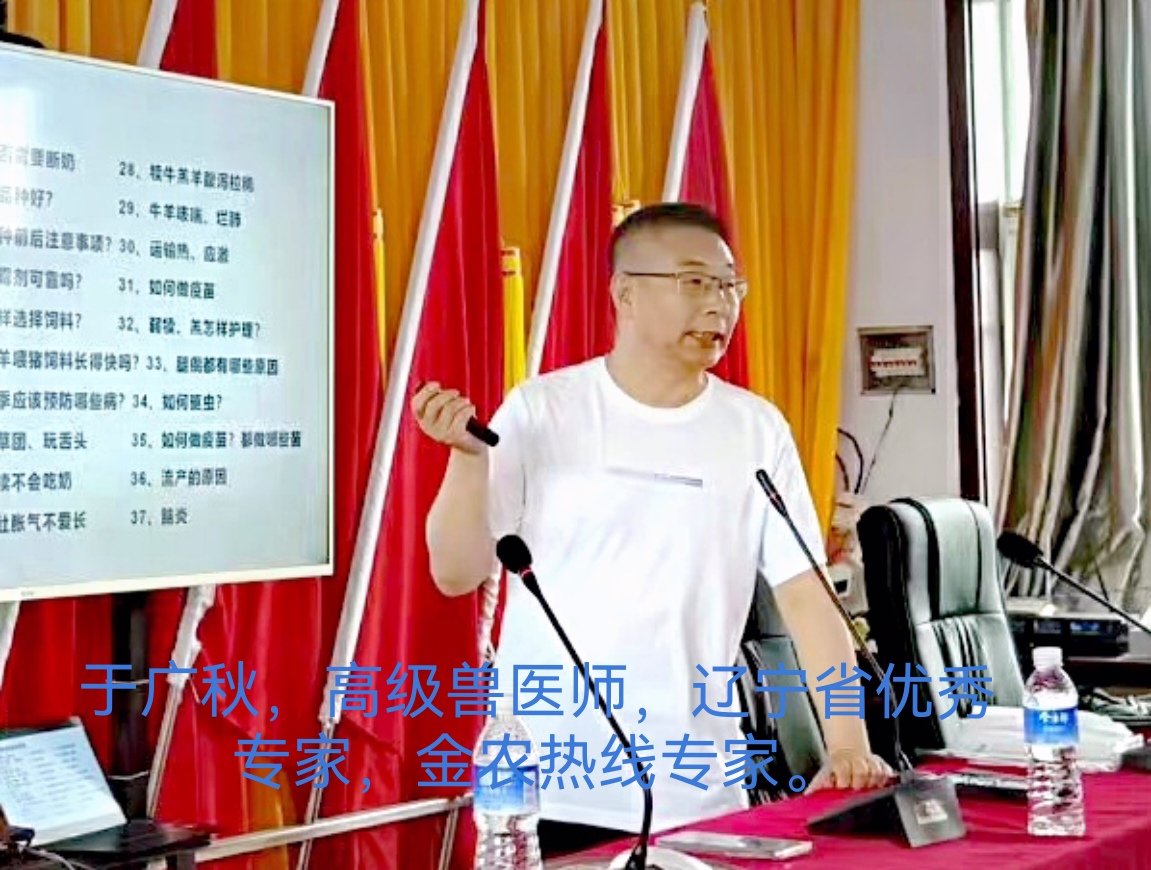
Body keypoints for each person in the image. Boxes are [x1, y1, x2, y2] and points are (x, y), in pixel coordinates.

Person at [413, 203, 893, 857]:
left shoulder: (755, 429)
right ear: (625, 294)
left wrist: (846, 743)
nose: (719, 304)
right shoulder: (543, 411)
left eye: (729, 286)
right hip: (551, 792)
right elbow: (454, 572)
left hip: (698, 793)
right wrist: (467, 461)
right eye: (694, 281)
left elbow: (807, 597)